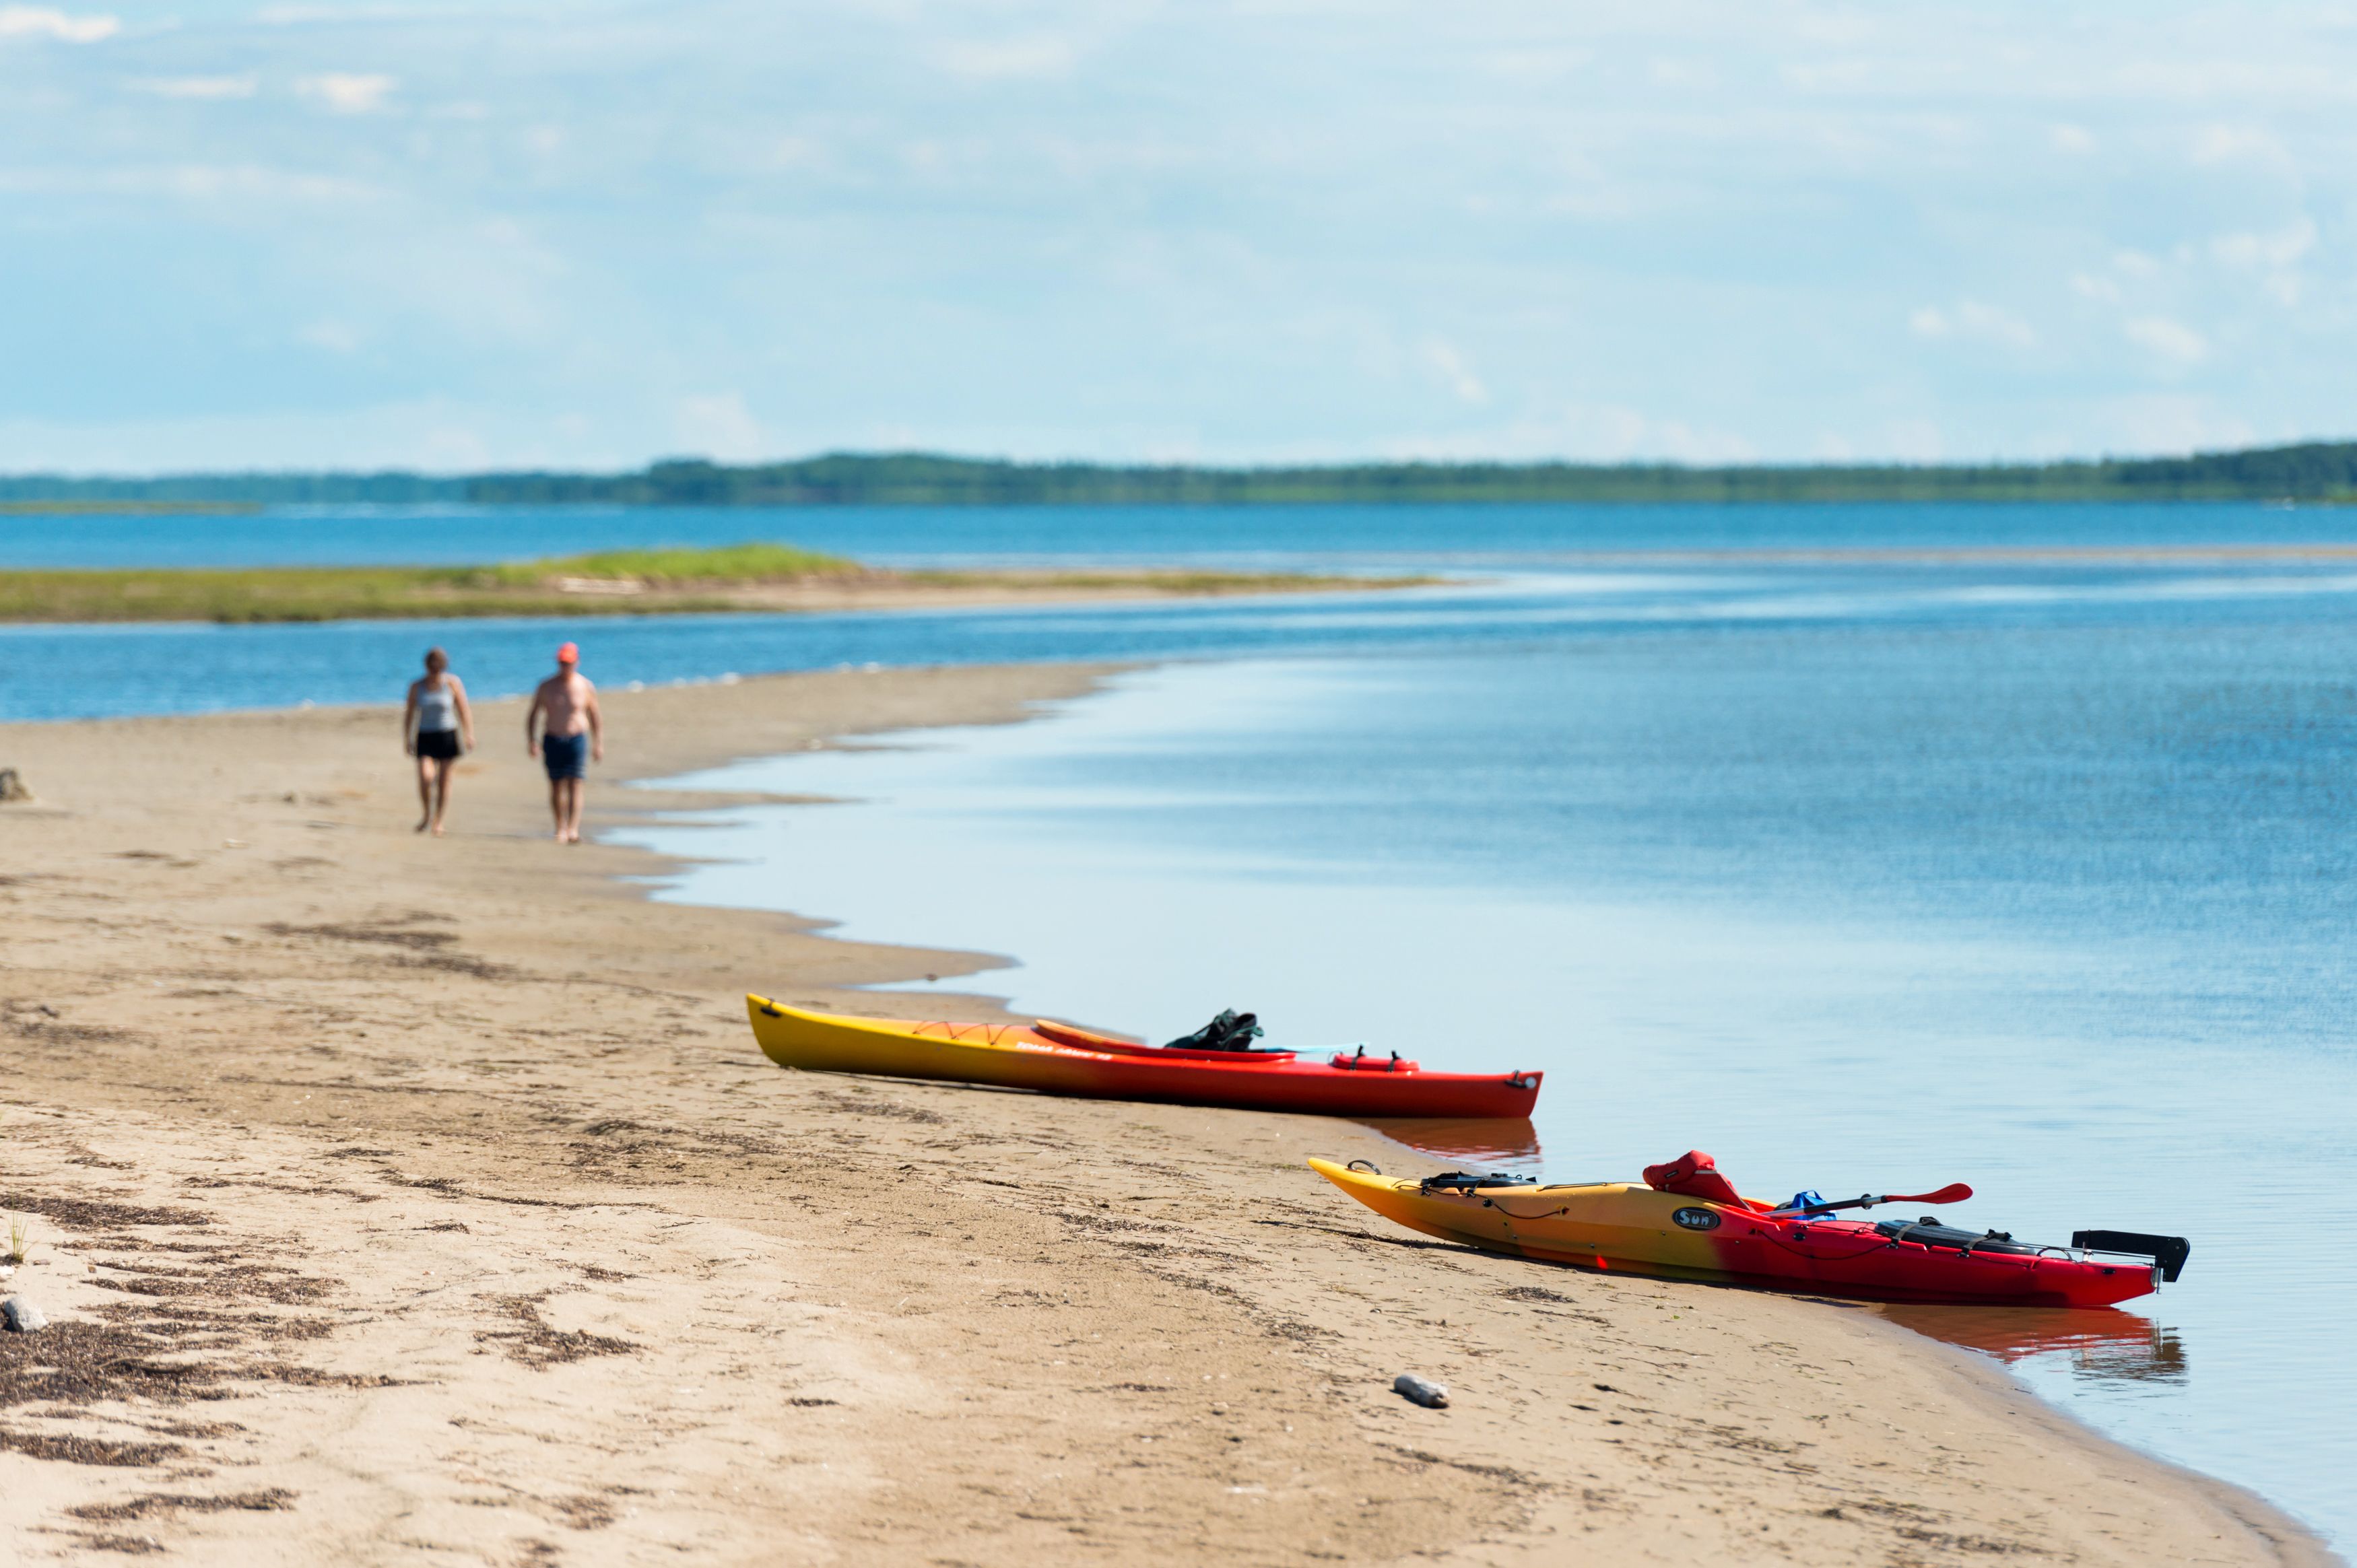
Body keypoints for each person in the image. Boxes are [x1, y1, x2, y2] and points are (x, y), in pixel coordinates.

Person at [526, 641, 603, 844]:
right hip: (552, 739)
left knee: (576, 784)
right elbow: (533, 715)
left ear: (576, 662)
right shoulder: (546, 686)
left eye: (568, 663)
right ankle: (560, 827)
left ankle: (573, 828)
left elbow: (595, 716)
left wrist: (598, 743)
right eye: (562, 663)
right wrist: (532, 741)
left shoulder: (585, 686)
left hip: (577, 738)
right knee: (556, 785)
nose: (565, 667)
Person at [401, 647, 475, 836]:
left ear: (443, 666)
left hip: (447, 734)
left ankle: (438, 821)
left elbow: (463, 710)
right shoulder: (417, 686)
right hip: (425, 735)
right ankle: (427, 814)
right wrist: (407, 738)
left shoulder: (452, 683)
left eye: (438, 667)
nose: (435, 670)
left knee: (444, 780)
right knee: (426, 777)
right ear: (427, 666)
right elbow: (410, 713)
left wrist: (469, 734)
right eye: (432, 667)